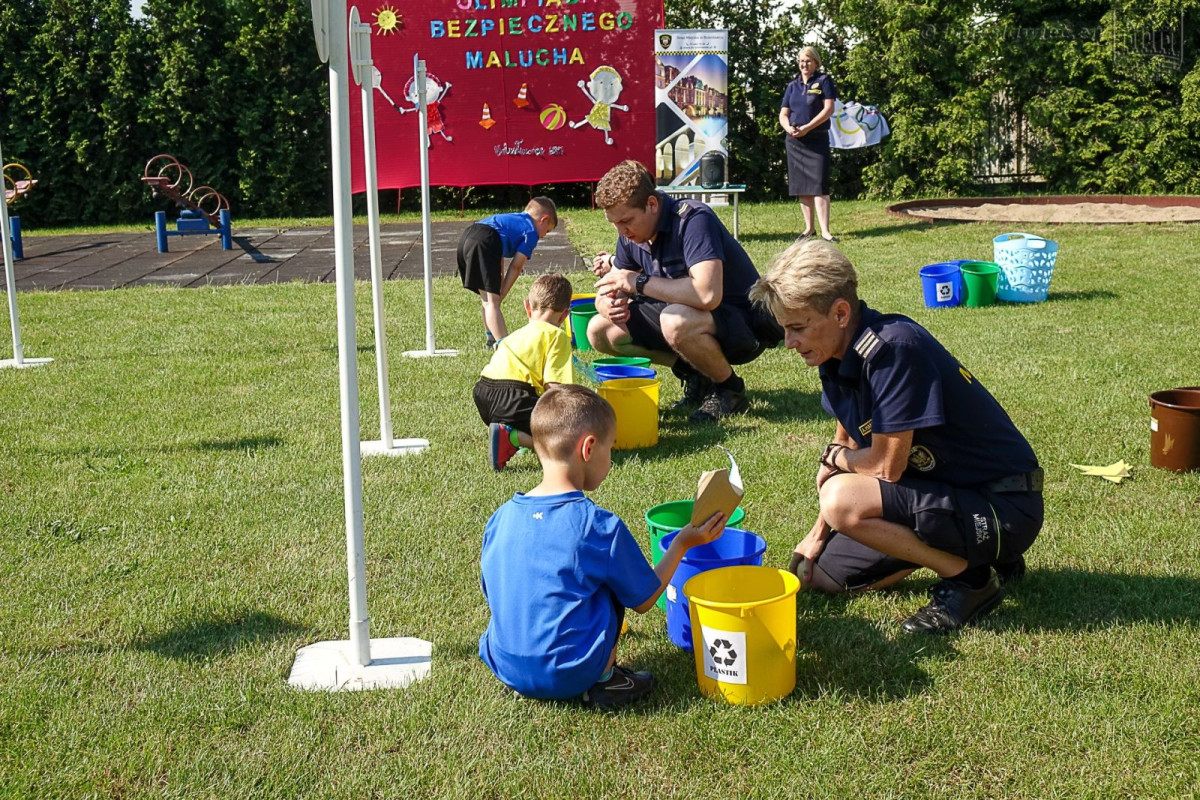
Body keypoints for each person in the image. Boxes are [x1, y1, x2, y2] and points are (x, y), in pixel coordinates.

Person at [748, 241, 1043, 634]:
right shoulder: (833, 354)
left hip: (1004, 508)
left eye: (798, 328)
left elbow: (884, 467)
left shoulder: (894, 349)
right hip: (943, 492)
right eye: (785, 329)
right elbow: (850, 439)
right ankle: (968, 552)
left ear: (840, 313)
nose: (789, 342)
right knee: (823, 578)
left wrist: (833, 461)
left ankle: (972, 582)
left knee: (841, 500)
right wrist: (815, 536)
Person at [478, 384, 727, 707]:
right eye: (610, 449)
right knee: (613, 583)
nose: (610, 459)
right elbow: (645, 598)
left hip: (504, 665)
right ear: (589, 448)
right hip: (570, 673)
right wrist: (682, 543)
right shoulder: (597, 526)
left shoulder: (500, 518)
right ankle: (605, 680)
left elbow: (492, 590)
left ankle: (528, 674)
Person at [587, 159, 782, 423]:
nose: (621, 231)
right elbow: (611, 285)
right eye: (614, 224)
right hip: (690, 317)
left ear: (652, 205)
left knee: (674, 320)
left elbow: (707, 295)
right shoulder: (630, 235)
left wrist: (638, 282)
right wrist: (607, 305)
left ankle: (729, 390)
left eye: (626, 221)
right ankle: (696, 373)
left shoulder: (693, 219)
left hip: (743, 325)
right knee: (600, 330)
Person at [473, 273, 573, 471]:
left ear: (527, 307)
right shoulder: (557, 336)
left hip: (483, 392)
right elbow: (555, 389)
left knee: (532, 410)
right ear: (564, 315)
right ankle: (511, 436)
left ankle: (517, 430)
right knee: (565, 438)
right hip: (512, 397)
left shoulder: (514, 336)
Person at [456, 197, 558, 348]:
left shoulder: (513, 220)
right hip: (484, 241)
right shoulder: (531, 231)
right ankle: (506, 348)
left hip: (467, 237)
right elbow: (516, 266)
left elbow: (498, 254)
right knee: (492, 303)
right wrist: (501, 294)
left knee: (488, 300)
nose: (543, 236)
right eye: (547, 231)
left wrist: (498, 288)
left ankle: (491, 339)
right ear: (544, 219)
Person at [779, 46, 837, 243]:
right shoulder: (792, 86)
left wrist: (808, 127)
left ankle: (825, 231)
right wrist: (788, 128)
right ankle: (809, 228)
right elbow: (783, 113)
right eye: (802, 61)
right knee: (802, 186)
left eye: (808, 61)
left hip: (817, 139)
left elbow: (828, 109)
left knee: (819, 185)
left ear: (816, 63)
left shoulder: (823, 81)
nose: (804, 64)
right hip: (795, 142)